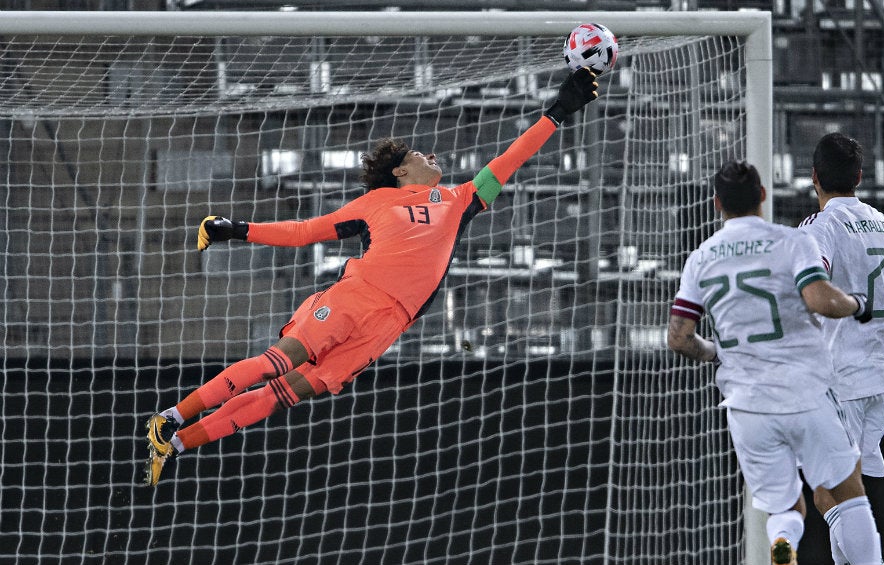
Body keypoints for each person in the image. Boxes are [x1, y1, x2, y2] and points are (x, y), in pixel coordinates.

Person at [142, 68, 600, 487]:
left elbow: (510, 158)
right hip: (355, 298)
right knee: (273, 364)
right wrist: (239, 230)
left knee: (279, 396)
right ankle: (171, 416)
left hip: (387, 326)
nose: (432, 154)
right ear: (400, 171)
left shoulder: (460, 199)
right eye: (420, 154)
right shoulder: (375, 204)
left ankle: (176, 443)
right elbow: (304, 232)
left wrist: (557, 113)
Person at [667, 160, 884, 565]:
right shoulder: (791, 241)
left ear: (717, 204)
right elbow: (820, 299)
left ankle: (784, 543)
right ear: (763, 196)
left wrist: (713, 351)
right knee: (848, 490)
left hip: (747, 405)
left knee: (786, 508)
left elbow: (678, 337)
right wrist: (856, 304)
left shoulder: (701, 258)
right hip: (804, 392)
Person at [798, 132, 884, 565]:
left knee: (827, 496)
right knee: (845, 495)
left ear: (814, 178)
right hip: (881, 380)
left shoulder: (819, 228)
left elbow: (812, 290)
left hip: (840, 380)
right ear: (859, 177)